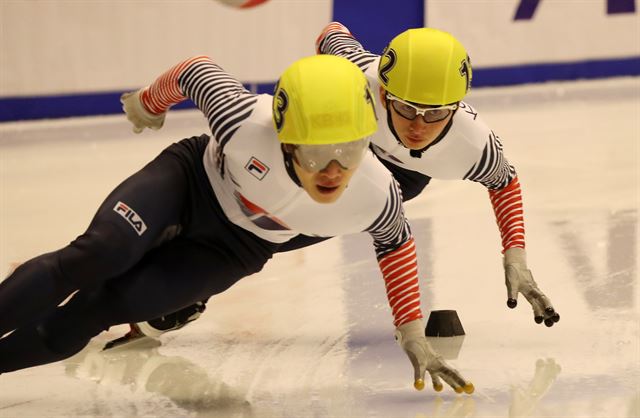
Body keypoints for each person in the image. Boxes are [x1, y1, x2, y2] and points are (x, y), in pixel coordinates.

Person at [0, 54, 473, 394]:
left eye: (349, 151)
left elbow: (397, 245)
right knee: (98, 255)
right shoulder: (244, 121)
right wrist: (149, 101)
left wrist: (411, 332)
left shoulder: (376, 191)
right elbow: (195, 71)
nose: (333, 170)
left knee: (103, 308)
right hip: (189, 183)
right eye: (315, 152)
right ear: (283, 137)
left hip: (238, 245)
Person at [135, 24, 560, 339]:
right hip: (341, 142)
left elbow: (504, 182)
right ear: (382, 91)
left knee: (278, 233)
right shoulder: (360, 72)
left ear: (455, 108)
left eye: (435, 114)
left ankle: (193, 285)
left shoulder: (472, 145)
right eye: (405, 107)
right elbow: (331, 34)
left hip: (403, 178)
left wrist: (516, 256)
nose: (417, 125)